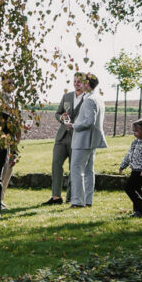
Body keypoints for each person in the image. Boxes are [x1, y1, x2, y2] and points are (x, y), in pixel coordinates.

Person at [45, 73, 88, 205]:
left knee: (73, 168)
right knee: (56, 164)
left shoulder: (88, 98)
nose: (76, 83)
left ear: (85, 83)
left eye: (79, 81)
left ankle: (71, 196)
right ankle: (56, 197)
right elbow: (57, 114)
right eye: (74, 81)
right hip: (62, 137)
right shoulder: (67, 96)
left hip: (78, 137)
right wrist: (61, 118)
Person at [66, 73, 107, 208]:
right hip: (92, 141)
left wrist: (74, 126)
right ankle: (88, 200)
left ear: (87, 84)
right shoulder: (98, 98)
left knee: (77, 169)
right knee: (89, 171)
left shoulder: (89, 100)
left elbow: (89, 121)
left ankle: (77, 201)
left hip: (83, 140)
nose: (80, 84)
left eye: (82, 82)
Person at [119, 119, 142, 218]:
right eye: (133, 131)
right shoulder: (135, 142)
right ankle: (138, 212)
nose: (134, 133)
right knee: (137, 190)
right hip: (134, 169)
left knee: (129, 188)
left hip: (141, 171)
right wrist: (123, 165)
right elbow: (129, 155)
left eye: (136, 131)